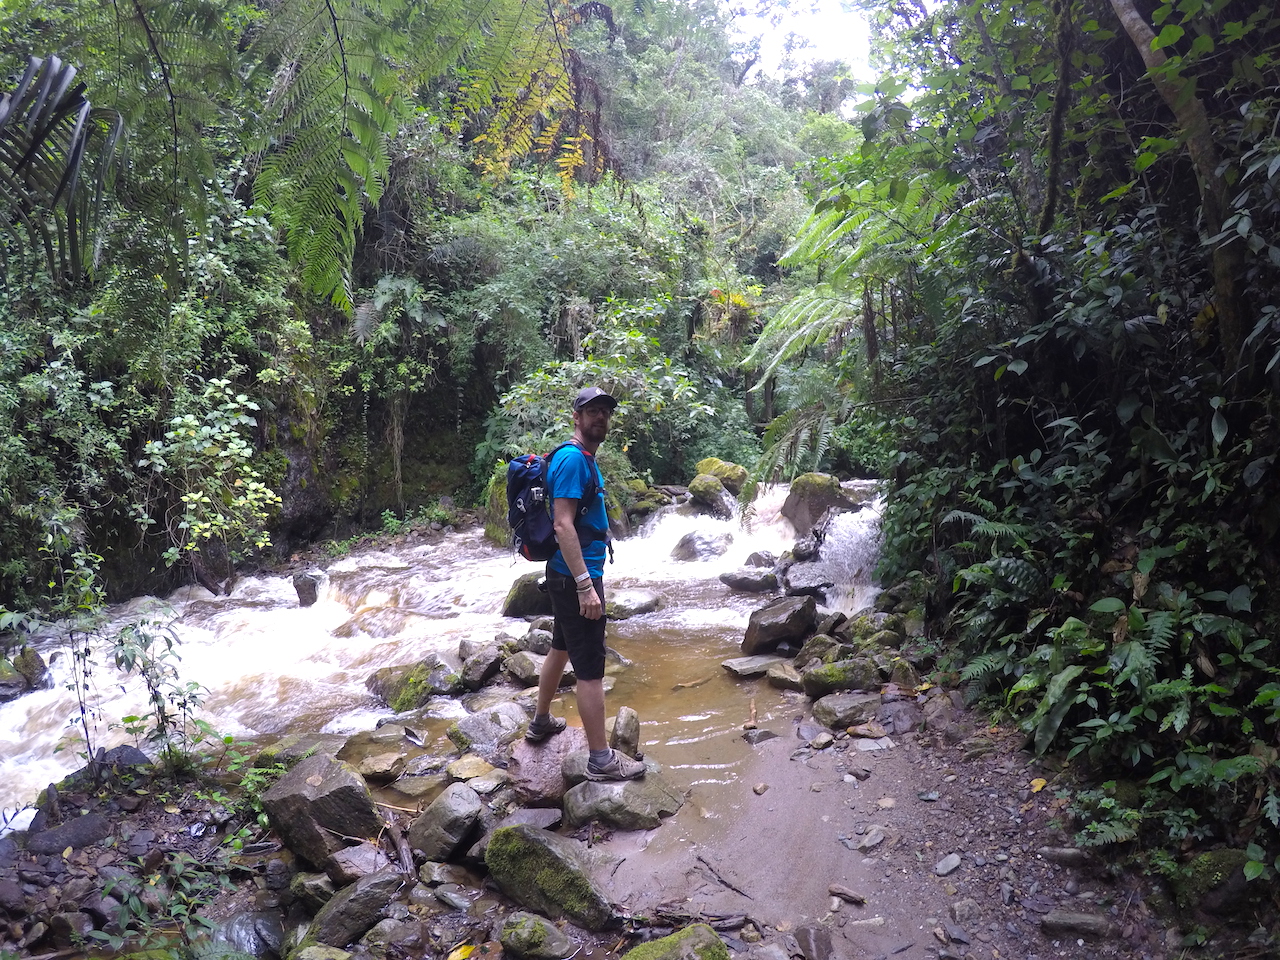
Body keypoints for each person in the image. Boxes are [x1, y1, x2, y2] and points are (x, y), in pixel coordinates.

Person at [524, 386, 646, 782]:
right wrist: (584, 586)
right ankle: (600, 759)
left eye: (605, 412)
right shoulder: (574, 460)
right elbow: (562, 525)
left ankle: (540, 721)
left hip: (568, 575)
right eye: (592, 411)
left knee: (561, 647)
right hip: (575, 577)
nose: (600, 418)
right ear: (576, 417)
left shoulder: (582, 458)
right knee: (591, 667)